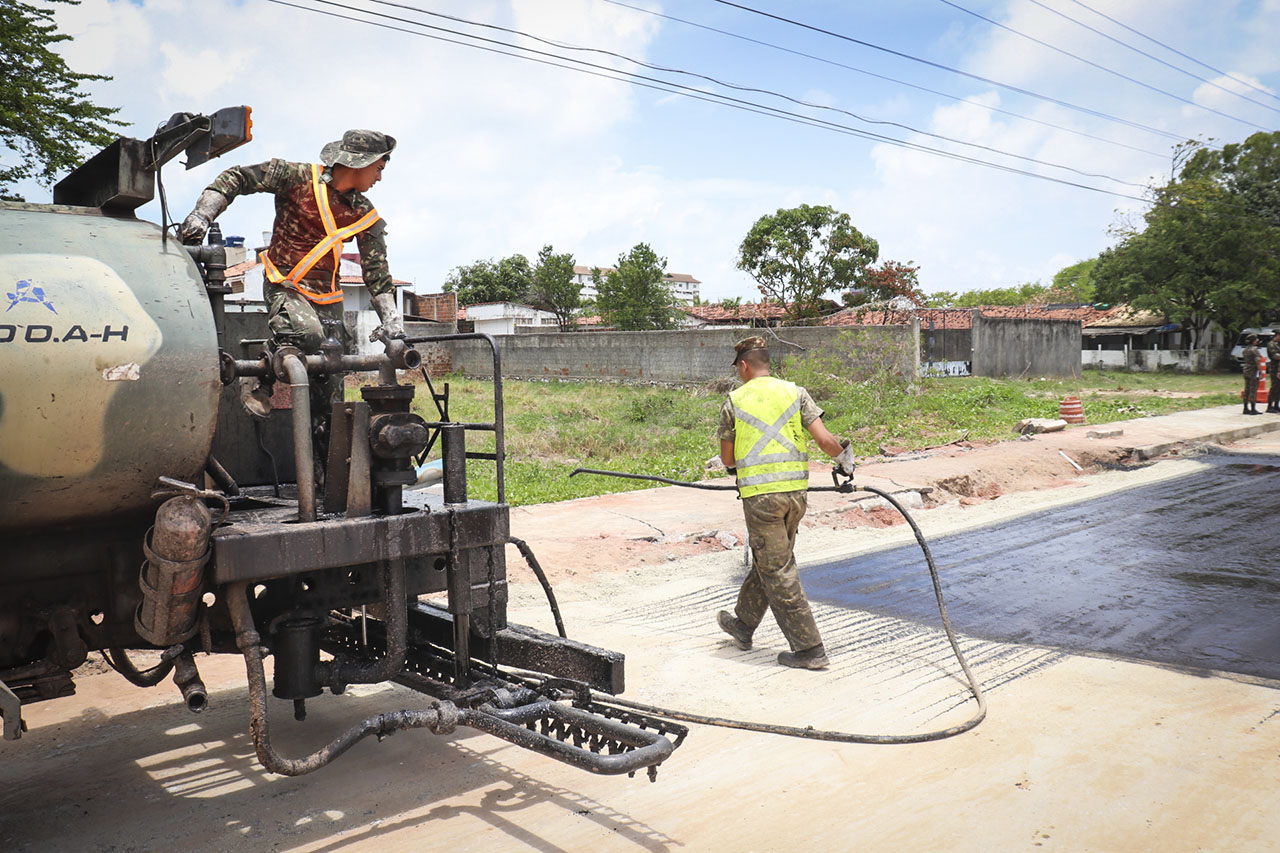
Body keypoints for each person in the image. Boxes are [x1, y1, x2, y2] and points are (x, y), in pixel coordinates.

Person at [179, 129, 406, 481]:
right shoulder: (297, 178)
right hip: (285, 284)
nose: (380, 176)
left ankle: (326, 483)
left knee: (330, 397)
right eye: (378, 167)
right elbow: (238, 177)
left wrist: (393, 323)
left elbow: (377, 275)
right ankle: (262, 377)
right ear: (357, 163)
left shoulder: (364, 214)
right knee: (307, 332)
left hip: (328, 299)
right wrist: (202, 214)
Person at [714, 336, 857, 670]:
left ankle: (809, 649)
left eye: (738, 368)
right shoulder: (796, 392)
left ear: (744, 365)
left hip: (762, 500)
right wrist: (845, 460)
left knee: (777, 569)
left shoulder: (735, 401)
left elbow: (728, 460)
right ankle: (743, 624)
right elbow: (825, 441)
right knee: (771, 560)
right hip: (796, 497)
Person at [1242, 334, 1262, 415]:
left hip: (1246, 370)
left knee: (1247, 389)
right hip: (1253, 371)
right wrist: (1260, 371)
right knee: (1253, 389)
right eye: (1256, 339)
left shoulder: (1245, 350)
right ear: (1254, 341)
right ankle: (1253, 408)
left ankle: (1245, 408)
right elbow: (1257, 361)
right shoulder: (1254, 350)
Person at [1266, 335, 1280, 414]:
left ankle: (1276, 405)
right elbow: (1274, 356)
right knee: (1274, 387)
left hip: (1278, 369)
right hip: (1274, 369)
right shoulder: (1271, 344)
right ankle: (1270, 405)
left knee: (1278, 388)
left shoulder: (1278, 344)